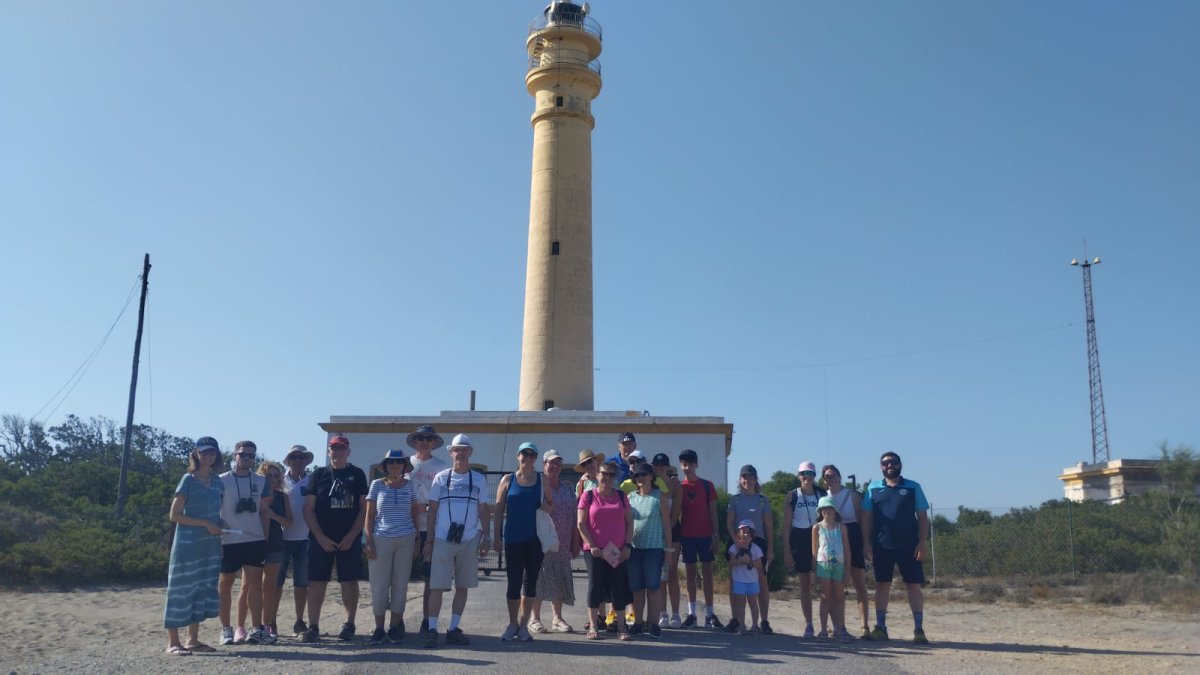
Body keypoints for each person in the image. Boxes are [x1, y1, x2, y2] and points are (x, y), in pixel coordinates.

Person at [422, 434, 493, 649]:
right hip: (443, 538)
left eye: (464, 449)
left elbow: (484, 510)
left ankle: (453, 628)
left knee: (463, 586)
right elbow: (432, 509)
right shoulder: (441, 478)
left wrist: (486, 536)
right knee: (437, 587)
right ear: (451, 452)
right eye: (456, 449)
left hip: (469, 538)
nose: (460, 453)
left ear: (470, 452)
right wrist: (430, 539)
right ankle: (432, 629)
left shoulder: (478, 479)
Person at [302, 435, 368, 643]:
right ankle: (313, 626)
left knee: (349, 581)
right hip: (321, 538)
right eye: (334, 449)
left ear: (348, 451)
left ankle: (349, 623)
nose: (337, 452)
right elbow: (308, 510)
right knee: (317, 582)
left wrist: (352, 536)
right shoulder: (319, 474)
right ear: (328, 451)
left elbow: (363, 509)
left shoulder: (357, 474)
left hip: (348, 538)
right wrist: (320, 537)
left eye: (342, 449)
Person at [163, 436, 224, 655]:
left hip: (209, 546)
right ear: (196, 454)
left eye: (212, 453)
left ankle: (193, 640)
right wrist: (205, 523)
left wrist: (219, 524)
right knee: (181, 589)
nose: (208, 457)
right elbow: (174, 515)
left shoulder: (218, 481)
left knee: (201, 588)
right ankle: (172, 642)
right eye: (204, 452)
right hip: (186, 546)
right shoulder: (187, 480)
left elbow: (217, 513)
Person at [862, 451, 930, 645]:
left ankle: (919, 629)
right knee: (882, 584)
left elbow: (923, 518)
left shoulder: (913, 487)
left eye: (893, 462)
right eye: (885, 463)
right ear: (881, 467)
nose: (889, 465)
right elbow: (866, 518)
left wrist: (921, 543)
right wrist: (866, 543)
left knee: (913, 585)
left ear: (900, 464)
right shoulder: (872, 489)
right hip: (882, 545)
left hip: (909, 546)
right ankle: (881, 627)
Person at [217, 440, 275, 646]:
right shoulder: (221, 480)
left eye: (251, 455)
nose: (247, 459)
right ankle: (226, 630)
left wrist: (265, 539)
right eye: (243, 455)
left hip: (254, 539)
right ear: (235, 455)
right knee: (225, 585)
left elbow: (265, 513)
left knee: (254, 587)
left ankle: (257, 629)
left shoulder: (261, 481)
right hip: (228, 539)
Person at [364, 449, 423, 645]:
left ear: (405, 466)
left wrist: (417, 539)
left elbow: (415, 512)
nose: (395, 466)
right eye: (391, 462)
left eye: (399, 463)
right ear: (385, 466)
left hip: (405, 538)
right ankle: (379, 628)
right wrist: (368, 540)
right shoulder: (376, 485)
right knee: (379, 585)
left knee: (400, 584)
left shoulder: (411, 486)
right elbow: (370, 515)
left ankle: (395, 627)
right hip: (381, 538)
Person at [493, 442, 550, 642]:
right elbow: (499, 510)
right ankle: (512, 623)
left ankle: (524, 625)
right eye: (524, 454)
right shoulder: (508, 480)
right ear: (518, 456)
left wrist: (546, 506)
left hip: (535, 540)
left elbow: (551, 502)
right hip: (513, 539)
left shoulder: (542, 480)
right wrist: (496, 537)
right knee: (513, 583)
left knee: (530, 583)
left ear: (535, 458)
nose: (527, 458)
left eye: (531, 455)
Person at [577, 461, 634, 640]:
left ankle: (621, 626)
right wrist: (592, 545)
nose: (607, 478)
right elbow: (581, 523)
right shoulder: (588, 496)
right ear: (597, 475)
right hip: (595, 550)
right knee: (595, 585)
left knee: (618, 586)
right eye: (604, 474)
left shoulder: (621, 496)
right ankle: (593, 625)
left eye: (611, 475)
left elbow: (629, 523)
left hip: (616, 550)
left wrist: (627, 545)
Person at [530, 449, 581, 634]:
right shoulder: (537, 486)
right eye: (551, 463)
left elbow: (575, 517)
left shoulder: (568, 487)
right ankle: (534, 618)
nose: (555, 467)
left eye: (558, 463)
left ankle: (557, 618)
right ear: (544, 465)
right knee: (538, 579)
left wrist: (575, 542)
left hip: (564, 541)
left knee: (559, 578)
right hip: (542, 542)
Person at [406, 424, 449, 636]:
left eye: (429, 438)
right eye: (421, 438)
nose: (424, 442)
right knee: (400, 576)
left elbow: (444, 497)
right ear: (414, 441)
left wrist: (427, 507)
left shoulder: (442, 467)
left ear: (434, 443)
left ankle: (426, 619)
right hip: (405, 527)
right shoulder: (404, 464)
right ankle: (396, 620)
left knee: (429, 577)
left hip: (430, 529)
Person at [724, 464, 774, 634]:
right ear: (740, 479)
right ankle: (736, 619)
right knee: (735, 580)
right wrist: (735, 541)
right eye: (745, 477)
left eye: (751, 477)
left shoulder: (762, 500)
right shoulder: (735, 499)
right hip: (738, 541)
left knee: (761, 581)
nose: (748, 481)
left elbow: (768, 525)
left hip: (758, 542)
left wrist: (771, 549)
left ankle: (764, 621)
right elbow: (729, 522)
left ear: (755, 479)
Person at [822, 464, 870, 637]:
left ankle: (864, 626)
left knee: (859, 584)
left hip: (853, 537)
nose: (832, 478)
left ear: (840, 477)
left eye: (834, 475)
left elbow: (861, 520)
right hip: (832, 540)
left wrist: (865, 544)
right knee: (834, 587)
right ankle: (837, 626)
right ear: (824, 479)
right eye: (828, 476)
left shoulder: (852, 495)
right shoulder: (823, 496)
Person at [677, 448, 723, 629]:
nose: (687, 467)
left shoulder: (707, 485)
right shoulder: (680, 487)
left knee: (708, 575)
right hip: (687, 536)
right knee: (690, 576)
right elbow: (677, 513)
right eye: (684, 464)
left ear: (696, 464)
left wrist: (716, 534)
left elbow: (713, 512)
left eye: (689, 464)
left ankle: (710, 614)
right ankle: (692, 613)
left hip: (705, 536)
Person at [627, 463, 671, 639]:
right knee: (637, 589)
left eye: (644, 474)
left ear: (651, 476)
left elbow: (667, 526)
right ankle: (638, 622)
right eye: (637, 475)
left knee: (653, 587)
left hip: (654, 548)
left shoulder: (660, 496)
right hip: (635, 548)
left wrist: (668, 551)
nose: (640, 478)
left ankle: (653, 623)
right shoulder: (630, 497)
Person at [247, 460, 290, 640]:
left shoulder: (282, 497)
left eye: (275, 475)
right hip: (253, 542)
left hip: (275, 543)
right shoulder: (253, 494)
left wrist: (273, 516)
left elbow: (289, 522)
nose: (272, 479)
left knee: (270, 587)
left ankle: (268, 624)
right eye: (268, 475)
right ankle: (248, 626)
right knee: (250, 586)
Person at [783, 460, 825, 638]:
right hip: (799, 539)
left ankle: (826, 625)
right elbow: (786, 526)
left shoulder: (821, 494)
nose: (807, 478)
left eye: (810, 474)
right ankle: (809, 624)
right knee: (804, 584)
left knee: (824, 584)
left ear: (814, 476)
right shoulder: (792, 496)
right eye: (803, 474)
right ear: (798, 476)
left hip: (821, 538)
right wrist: (786, 551)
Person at [276, 445, 313, 637]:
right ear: (288, 460)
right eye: (294, 457)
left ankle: (299, 621)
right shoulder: (279, 480)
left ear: (306, 461)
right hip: (281, 538)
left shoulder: (312, 480)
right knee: (276, 582)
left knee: (301, 583)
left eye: (301, 457)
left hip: (305, 537)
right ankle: (271, 620)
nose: (298, 460)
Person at [812, 496, 854, 643]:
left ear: (835, 511)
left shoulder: (841, 527)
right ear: (820, 511)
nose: (827, 512)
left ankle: (839, 629)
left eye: (830, 508)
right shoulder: (817, 528)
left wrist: (847, 570)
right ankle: (823, 629)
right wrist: (815, 571)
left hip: (839, 565)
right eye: (824, 509)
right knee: (825, 598)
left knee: (839, 597)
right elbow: (814, 550)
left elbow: (847, 549)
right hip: (823, 565)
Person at [573, 449, 605, 631]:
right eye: (586, 464)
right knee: (594, 578)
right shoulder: (582, 484)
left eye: (591, 462)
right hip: (589, 535)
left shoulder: (606, 479)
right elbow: (579, 508)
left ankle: (604, 615)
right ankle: (594, 617)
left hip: (606, 534)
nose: (590, 466)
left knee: (605, 578)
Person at [651, 454, 683, 629]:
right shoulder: (651, 483)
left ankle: (676, 613)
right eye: (657, 465)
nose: (660, 468)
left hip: (673, 531)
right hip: (656, 534)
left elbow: (676, 511)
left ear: (668, 467)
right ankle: (662, 613)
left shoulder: (675, 484)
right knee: (659, 575)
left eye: (663, 465)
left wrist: (667, 532)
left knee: (671, 573)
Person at [727, 520, 764, 635]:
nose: (746, 535)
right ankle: (741, 624)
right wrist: (741, 560)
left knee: (753, 602)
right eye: (743, 532)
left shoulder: (756, 549)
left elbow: (760, 564)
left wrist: (751, 562)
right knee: (740, 603)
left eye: (748, 533)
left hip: (752, 581)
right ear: (738, 534)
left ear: (752, 535)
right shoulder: (734, 548)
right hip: (739, 580)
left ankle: (755, 625)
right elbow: (731, 562)